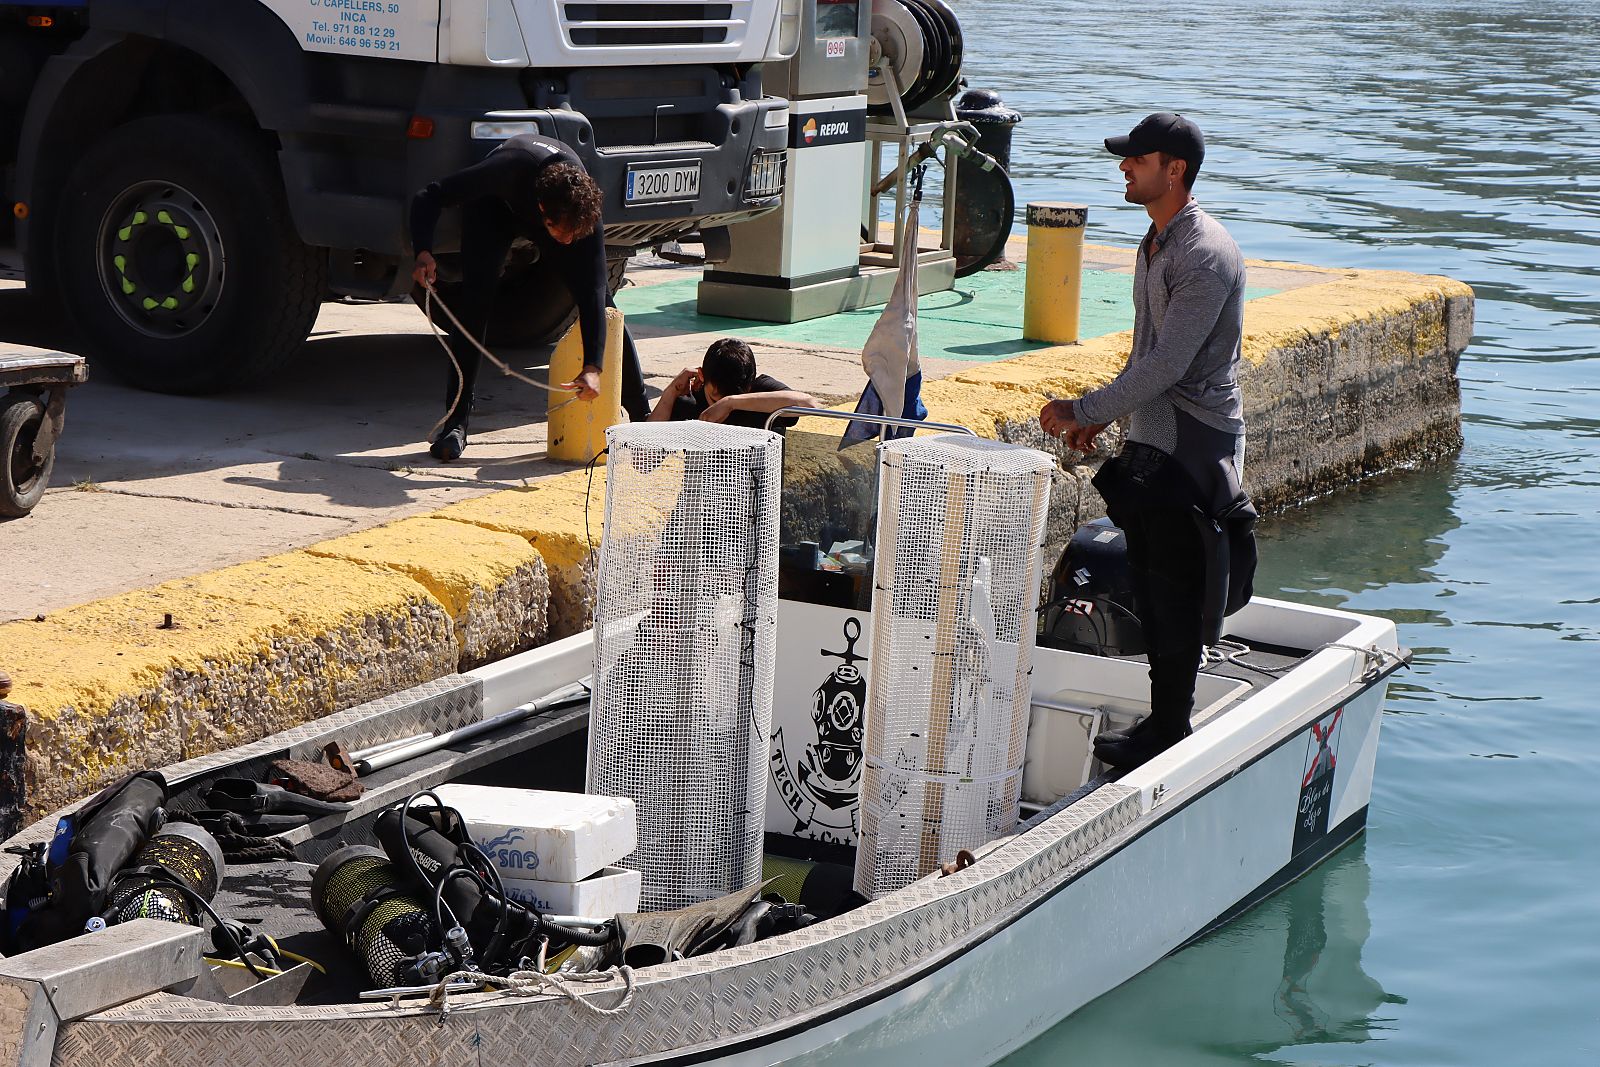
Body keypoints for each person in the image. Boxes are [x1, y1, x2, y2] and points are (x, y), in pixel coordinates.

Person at [1038, 112, 1251, 771]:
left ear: (1175, 170)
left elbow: (1169, 366)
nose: (1124, 167)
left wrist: (1084, 406)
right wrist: (1105, 418)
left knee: (1177, 593)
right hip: (1155, 440)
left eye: (1137, 158)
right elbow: (1144, 354)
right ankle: (1163, 723)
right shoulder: (1154, 243)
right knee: (1154, 587)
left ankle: (1170, 728)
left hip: (1195, 447)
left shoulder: (1203, 255)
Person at [409, 134, 650, 462]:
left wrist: (593, 365)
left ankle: (643, 418)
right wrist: (422, 251)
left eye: (573, 235)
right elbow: (430, 195)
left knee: (606, 306)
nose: (567, 241)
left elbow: (593, 292)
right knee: (475, 303)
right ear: (542, 212)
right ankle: (456, 423)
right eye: (561, 233)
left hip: (555, 207)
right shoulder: (504, 169)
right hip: (497, 206)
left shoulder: (581, 215)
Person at [649, 337, 819, 431]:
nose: (720, 411)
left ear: (750, 384)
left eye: (733, 396)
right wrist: (670, 392)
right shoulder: (690, 400)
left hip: (760, 493)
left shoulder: (763, 393)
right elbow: (643, 460)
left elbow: (810, 404)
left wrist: (730, 403)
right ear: (701, 376)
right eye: (715, 399)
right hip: (702, 494)